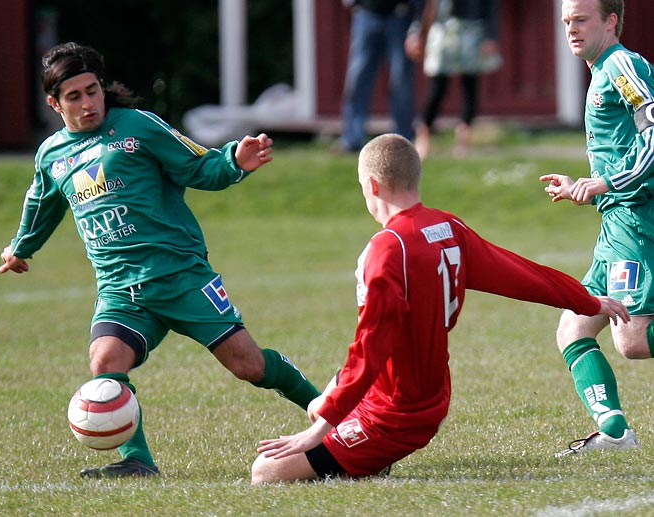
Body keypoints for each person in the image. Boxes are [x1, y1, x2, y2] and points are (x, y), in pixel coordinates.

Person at [0, 42, 320, 479]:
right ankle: (138, 461)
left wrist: (235, 162)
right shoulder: (52, 154)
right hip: (120, 289)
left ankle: (330, 415)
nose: (89, 103)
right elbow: (42, 203)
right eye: (74, 97)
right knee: (105, 364)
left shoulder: (137, 126)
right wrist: (21, 247)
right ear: (54, 103)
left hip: (181, 276)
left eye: (93, 90)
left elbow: (198, 167)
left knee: (250, 365)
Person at [250, 133, 631, 483]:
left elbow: (370, 348)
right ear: (416, 178)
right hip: (428, 392)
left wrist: (318, 432)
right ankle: (350, 441)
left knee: (265, 471)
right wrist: (585, 300)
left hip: (397, 414)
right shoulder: (447, 227)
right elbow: (517, 272)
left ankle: (370, 455)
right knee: (320, 404)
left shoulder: (386, 251)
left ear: (371, 186)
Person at [540, 0, 654, 456]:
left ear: (610, 21)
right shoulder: (600, 69)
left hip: (636, 217)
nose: (571, 28)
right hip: (615, 220)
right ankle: (614, 432)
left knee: (631, 338)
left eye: (582, 19)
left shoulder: (622, 64)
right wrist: (583, 186)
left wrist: (608, 181)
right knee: (574, 325)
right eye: (567, 21)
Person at [333, 0, 431, 153]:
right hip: (366, 13)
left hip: (400, 15)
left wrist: (416, 27)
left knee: (401, 80)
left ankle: (402, 141)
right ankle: (352, 138)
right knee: (358, 77)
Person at [407, 0, 501, 159]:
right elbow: (423, 6)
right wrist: (415, 31)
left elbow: (491, 5)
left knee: (470, 87)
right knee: (437, 89)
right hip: (442, 30)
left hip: (471, 29)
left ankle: (463, 140)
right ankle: (424, 136)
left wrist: (491, 35)